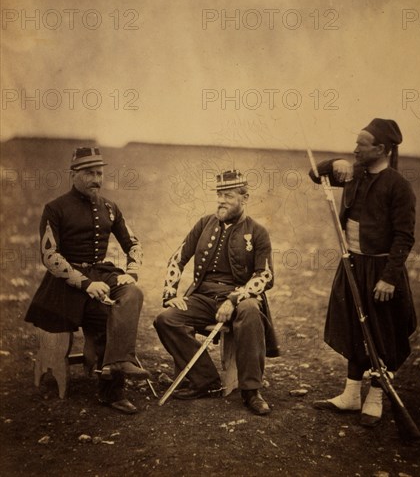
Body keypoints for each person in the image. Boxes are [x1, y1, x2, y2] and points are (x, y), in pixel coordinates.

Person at [309, 118, 417, 427]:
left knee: (381, 331)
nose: (355, 149)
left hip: (380, 269)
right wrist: (335, 163)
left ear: (381, 149)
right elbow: (315, 174)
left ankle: (376, 397)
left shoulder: (398, 186)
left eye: (361, 144)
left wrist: (389, 278)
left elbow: (404, 237)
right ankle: (350, 395)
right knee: (354, 327)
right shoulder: (353, 174)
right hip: (351, 263)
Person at [25, 147, 149, 414]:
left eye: (100, 173)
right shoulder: (55, 208)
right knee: (106, 315)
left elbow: (134, 243)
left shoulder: (110, 208)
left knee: (132, 293)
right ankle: (112, 377)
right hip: (64, 285)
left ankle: (114, 373)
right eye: (90, 173)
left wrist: (132, 271)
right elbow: (49, 255)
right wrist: (86, 284)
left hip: (101, 274)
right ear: (74, 175)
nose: (97, 179)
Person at [154, 170, 279, 415]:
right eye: (219, 194)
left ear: (245, 198)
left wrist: (234, 299)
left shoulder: (258, 232)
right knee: (166, 319)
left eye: (229, 195)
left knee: (252, 310)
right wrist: (170, 295)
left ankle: (251, 390)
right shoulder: (204, 224)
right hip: (203, 297)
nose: (221, 200)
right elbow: (177, 259)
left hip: (239, 298)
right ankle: (206, 381)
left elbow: (265, 275)